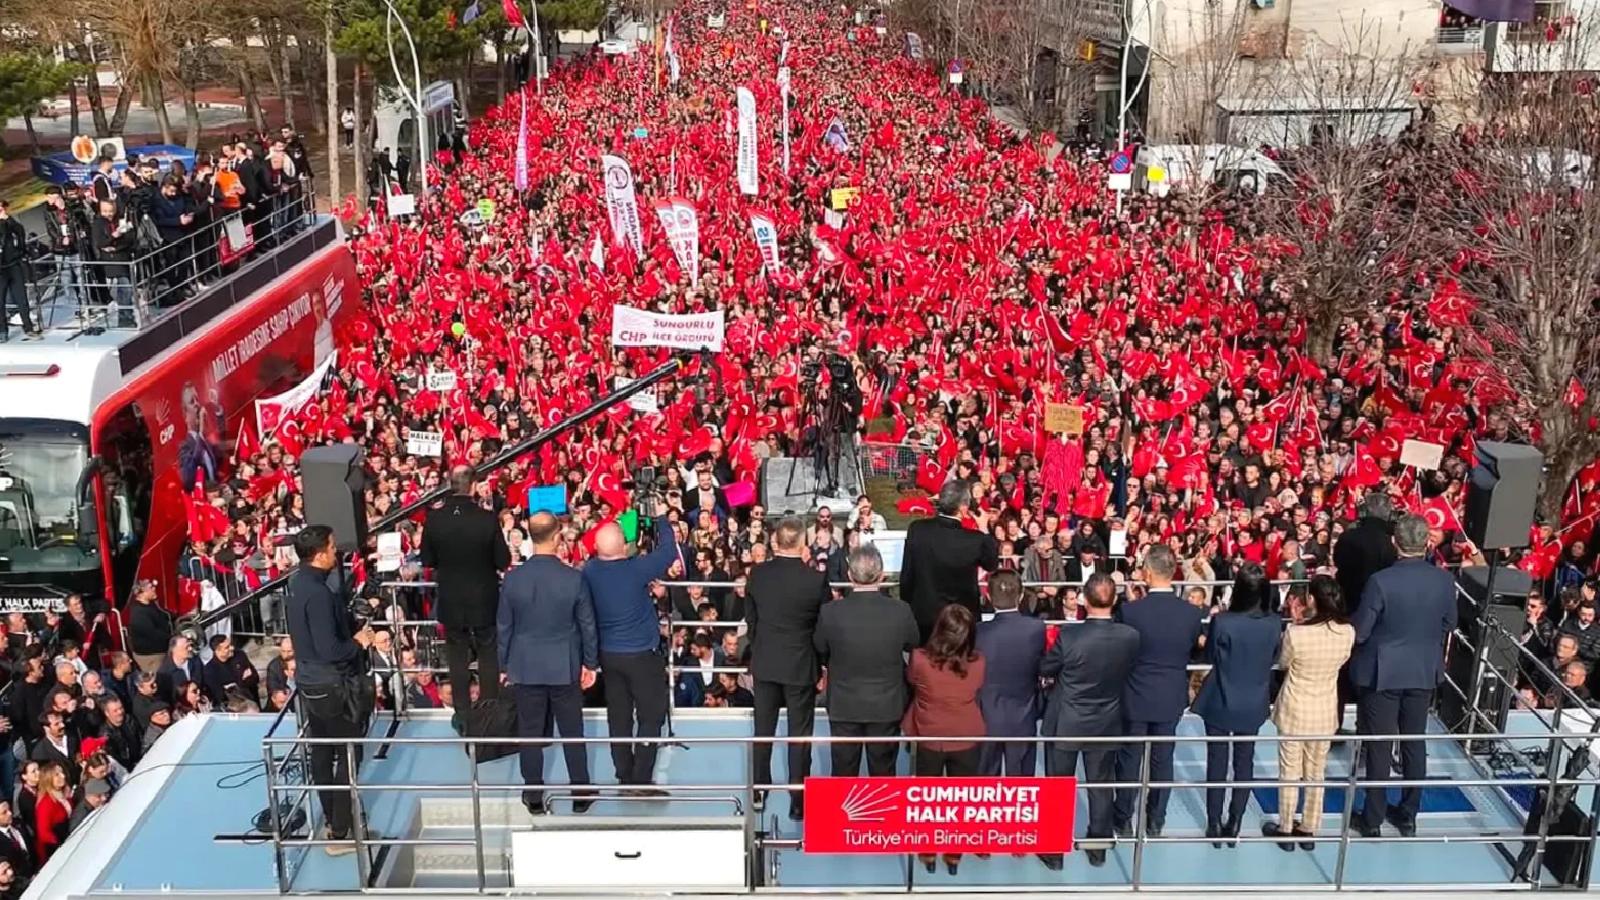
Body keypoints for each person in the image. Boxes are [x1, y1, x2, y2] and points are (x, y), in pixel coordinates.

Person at [1350, 513, 1457, 838]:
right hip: (1422, 669)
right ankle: (1408, 815)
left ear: (1395, 543)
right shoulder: (1443, 580)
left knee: (1381, 746)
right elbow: (1449, 623)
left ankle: (1372, 819)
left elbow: (1361, 630)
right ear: (1426, 543)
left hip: (1383, 672)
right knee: (1413, 742)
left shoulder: (1381, 581)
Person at [498, 511, 597, 815]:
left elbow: (504, 627)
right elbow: (587, 625)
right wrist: (590, 663)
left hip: (526, 666)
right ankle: (580, 792)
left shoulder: (513, 579)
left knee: (529, 733)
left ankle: (534, 795)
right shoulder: (573, 578)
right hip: (564, 665)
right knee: (572, 731)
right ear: (557, 538)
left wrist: (504, 665)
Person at [284, 524, 374, 855]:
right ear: (320, 554)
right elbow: (330, 649)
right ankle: (340, 830)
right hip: (332, 684)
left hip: (311, 682)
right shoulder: (319, 594)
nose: (336, 552)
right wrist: (358, 641)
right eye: (332, 547)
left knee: (323, 751)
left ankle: (334, 822)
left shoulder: (298, 583)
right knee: (348, 752)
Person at [1039, 572, 1140, 869]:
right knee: (1101, 786)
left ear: (1084, 598)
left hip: (1066, 721)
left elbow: (1047, 666)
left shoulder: (1070, 636)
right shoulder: (1130, 636)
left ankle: (1055, 852)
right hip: (1105, 720)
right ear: (1115, 599)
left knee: (1058, 787)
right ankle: (1098, 849)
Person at [582, 501, 677, 791]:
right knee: (650, 716)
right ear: (624, 546)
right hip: (642, 656)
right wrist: (661, 518)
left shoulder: (589, 571)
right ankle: (640, 778)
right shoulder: (637, 568)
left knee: (619, 716)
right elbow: (668, 551)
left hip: (608, 656)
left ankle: (624, 774)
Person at [1114, 544, 1204, 837]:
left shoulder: (1130, 611)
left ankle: (1123, 817)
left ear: (1148, 573)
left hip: (1136, 695)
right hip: (1170, 695)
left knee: (1130, 757)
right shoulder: (1191, 614)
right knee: (1163, 759)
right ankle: (1156, 819)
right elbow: (1190, 648)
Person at [1190, 563, 1282, 846]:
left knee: (1217, 761)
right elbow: (1274, 655)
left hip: (1220, 696)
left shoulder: (1224, 621)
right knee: (1245, 762)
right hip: (1253, 699)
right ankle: (1235, 822)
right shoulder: (1273, 622)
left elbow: (1210, 657)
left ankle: (1214, 823)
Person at [1263, 575, 1355, 851]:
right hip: (1325, 710)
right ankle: (1309, 827)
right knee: (1316, 772)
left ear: (1311, 599)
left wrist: (1295, 622)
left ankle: (1286, 826)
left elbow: (1283, 663)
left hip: (1295, 709)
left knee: (1289, 771)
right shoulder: (1347, 631)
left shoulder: (1296, 634)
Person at [745, 516, 828, 820]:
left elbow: (751, 620)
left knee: (762, 730)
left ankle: (759, 790)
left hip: (766, 661)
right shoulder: (816, 580)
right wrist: (821, 663)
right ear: (803, 544)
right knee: (799, 734)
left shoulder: (758, 575)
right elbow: (822, 627)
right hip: (800, 664)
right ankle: (798, 799)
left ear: (775, 543)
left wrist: (760, 646)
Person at [814, 544, 920, 778]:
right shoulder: (900, 610)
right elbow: (913, 643)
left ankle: (842, 816)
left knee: (843, 773)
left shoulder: (831, 612)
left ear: (850, 575)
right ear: (881, 576)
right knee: (883, 773)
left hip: (845, 705)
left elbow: (820, 647)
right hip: (886, 705)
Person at [420, 466, 511, 727]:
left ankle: (462, 714)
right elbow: (502, 560)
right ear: (472, 487)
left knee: (457, 656)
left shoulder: (435, 519)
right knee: (487, 653)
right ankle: (489, 711)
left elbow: (428, 559)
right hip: (483, 597)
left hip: (451, 597)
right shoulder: (486, 518)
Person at [905, 604, 986, 875]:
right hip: (966, 736)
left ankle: (927, 852)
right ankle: (954, 855)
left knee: (927, 799)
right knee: (962, 799)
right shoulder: (978, 663)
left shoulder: (919, 659)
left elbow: (912, 681)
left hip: (929, 735)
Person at [900, 481, 1001, 641]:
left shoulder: (917, 529)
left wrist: (909, 607)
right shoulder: (975, 539)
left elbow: (907, 577)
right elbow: (992, 563)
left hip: (925, 617)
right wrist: (984, 528)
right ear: (963, 508)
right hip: (962, 620)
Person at [975, 570, 1046, 776]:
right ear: (1022, 595)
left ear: (988, 596)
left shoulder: (979, 631)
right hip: (1023, 716)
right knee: (1022, 783)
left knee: (986, 786)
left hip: (987, 716)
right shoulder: (1036, 628)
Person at [0, 200, 38, 341]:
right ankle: (2, 331)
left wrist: (7, 219)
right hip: (1, 269)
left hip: (14, 265)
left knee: (22, 299)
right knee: (0, 301)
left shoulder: (11, 223)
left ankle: (28, 327)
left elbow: (20, 232)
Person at [126, 580, 172, 675]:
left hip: (161, 651)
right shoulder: (138, 613)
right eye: (151, 587)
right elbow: (152, 633)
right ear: (141, 593)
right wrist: (172, 637)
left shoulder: (151, 605)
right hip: (151, 656)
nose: (154, 589)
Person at [31, 763, 69, 866]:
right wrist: (63, 846)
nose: (63, 776)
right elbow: (44, 833)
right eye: (57, 774)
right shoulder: (45, 804)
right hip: (57, 849)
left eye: (62, 772)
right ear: (48, 779)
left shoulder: (64, 793)